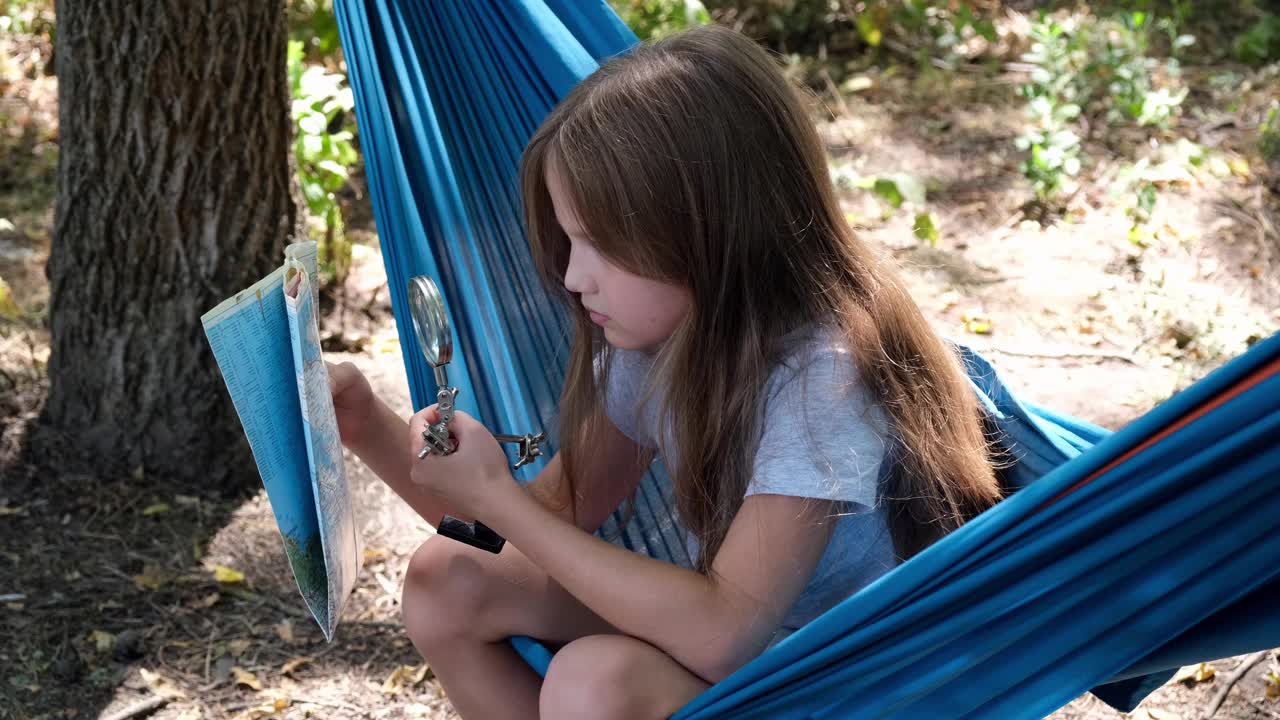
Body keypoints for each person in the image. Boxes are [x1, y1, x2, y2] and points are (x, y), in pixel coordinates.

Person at [328, 24, 1001, 720]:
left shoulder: (823, 381)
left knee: (595, 682)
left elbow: (724, 634)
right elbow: (528, 532)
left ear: (708, 231)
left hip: (840, 685)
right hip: (731, 647)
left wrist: (498, 500)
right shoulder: (656, 346)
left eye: (598, 243)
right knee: (449, 578)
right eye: (568, 239)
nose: (571, 276)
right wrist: (363, 423)